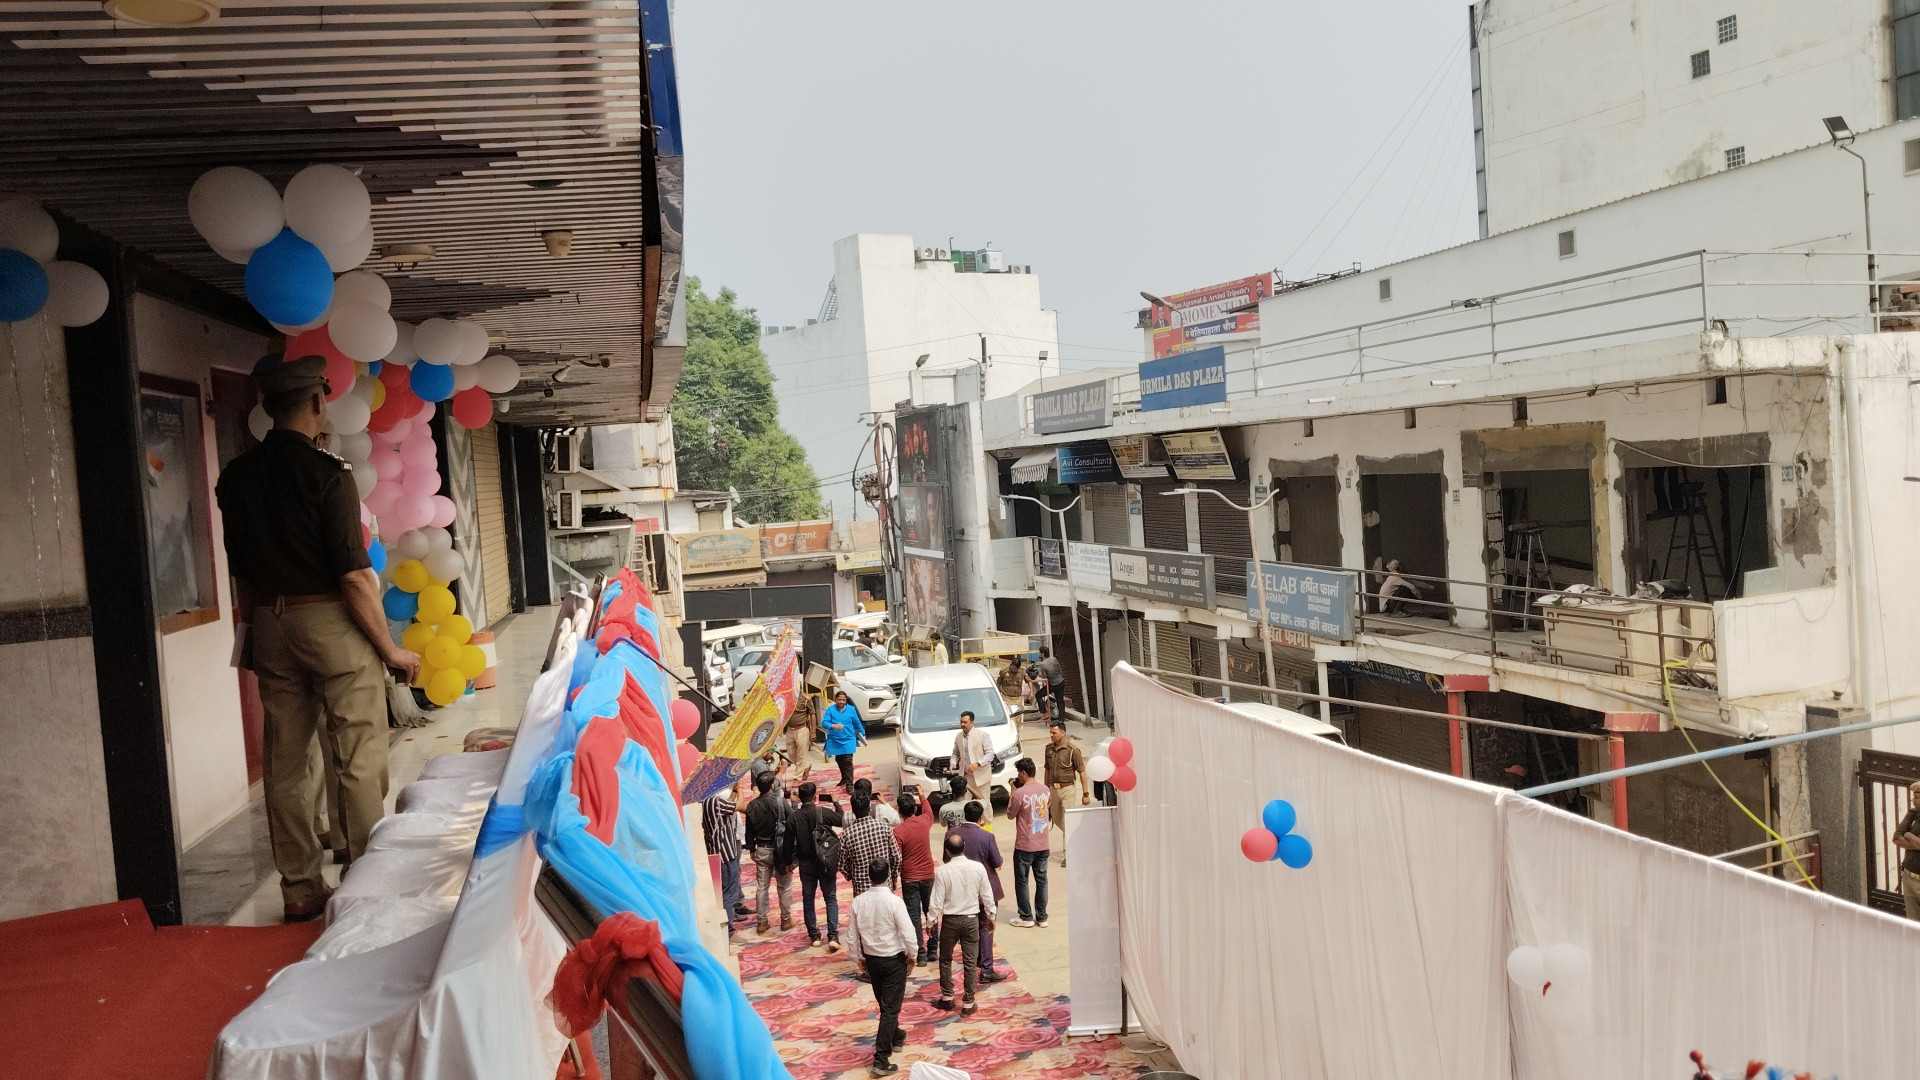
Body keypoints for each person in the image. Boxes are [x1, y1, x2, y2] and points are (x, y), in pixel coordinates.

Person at [216, 354, 421, 923]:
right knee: (357, 751)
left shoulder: (235, 476)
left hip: (269, 622)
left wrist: (253, 633)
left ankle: (301, 888)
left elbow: (242, 573)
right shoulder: (328, 473)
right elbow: (353, 576)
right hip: (329, 621)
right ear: (316, 401)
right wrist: (390, 649)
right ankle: (365, 881)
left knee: (285, 761)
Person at [846, 858, 917, 1077]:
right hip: (893, 959)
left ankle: (896, 1036)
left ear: (869, 876)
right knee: (889, 1009)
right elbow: (908, 932)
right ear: (888, 876)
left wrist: (857, 957)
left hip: (872, 960)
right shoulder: (894, 902)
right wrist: (913, 954)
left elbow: (851, 935)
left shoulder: (859, 901)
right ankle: (881, 1059)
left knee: (886, 1005)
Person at [927, 832, 994, 1015]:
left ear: (947, 851)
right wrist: (991, 916)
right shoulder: (978, 868)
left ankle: (947, 998)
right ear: (964, 847)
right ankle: (968, 1002)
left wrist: (931, 922)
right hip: (971, 919)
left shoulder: (943, 871)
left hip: (950, 920)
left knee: (945, 960)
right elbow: (987, 895)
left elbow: (936, 901)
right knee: (970, 962)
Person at [950, 800, 1007, 983]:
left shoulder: (952, 835)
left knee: (969, 927)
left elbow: (947, 859)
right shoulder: (987, 837)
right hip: (985, 890)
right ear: (981, 817)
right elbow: (997, 861)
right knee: (986, 927)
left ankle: (976, 960)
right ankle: (986, 968)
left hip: (961, 890)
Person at [792, 781, 843, 950]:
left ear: (800, 797)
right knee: (830, 897)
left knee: (808, 899)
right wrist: (836, 803)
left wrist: (788, 862)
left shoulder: (794, 817)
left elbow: (788, 843)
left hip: (806, 864)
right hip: (825, 861)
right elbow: (842, 820)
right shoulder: (823, 812)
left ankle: (814, 935)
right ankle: (833, 935)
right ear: (815, 797)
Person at [744, 770, 795, 934]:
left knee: (762, 887)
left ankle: (762, 921)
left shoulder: (752, 805)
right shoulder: (781, 802)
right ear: (773, 785)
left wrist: (752, 849)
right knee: (784, 885)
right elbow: (793, 821)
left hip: (762, 849)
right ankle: (786, 919)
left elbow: (749, 831)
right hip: (781, 850)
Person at [892, 788, 937, 963]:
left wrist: (895, 877)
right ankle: (933, 948)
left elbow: (897, 857)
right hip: (928, 874)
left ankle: (921, 953)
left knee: (914, 916)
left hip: (909, 877)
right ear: (914, 808)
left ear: (900, 812)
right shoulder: (924, 821)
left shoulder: (898, 831)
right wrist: (922, 794)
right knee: (930, 912)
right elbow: (929, 811)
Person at [1005, 758, 1051, 928]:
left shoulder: (1019, 793)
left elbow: (1010, 814)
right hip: (1043, 842)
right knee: (1042, 880)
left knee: (1022, 881)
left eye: (1019, 772)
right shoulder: (1045, 790)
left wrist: (1012, 790)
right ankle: (1042, 916)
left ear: (1023, 773)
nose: (1018, 775)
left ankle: (1026, 916)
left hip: (1025, 844)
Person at [701, 777, 753, 925]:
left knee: (723, 890)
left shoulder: (708, 801)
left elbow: (729, 805)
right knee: (729, 891)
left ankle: (728, 922)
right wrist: (741, 788)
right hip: (725, 852)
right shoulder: (715, 801)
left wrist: (735, 791)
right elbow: (739, 806)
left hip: (717, 851)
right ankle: (729, 925)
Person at [1043, 720, 1091, 866]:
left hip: (1067, 789)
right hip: (1053, 789)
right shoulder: (1048, 749)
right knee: (1057, 819)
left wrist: (1086, 793)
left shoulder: (1073, 750)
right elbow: (1047, 769)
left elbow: (1082, 772)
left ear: (1063, 733)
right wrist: (1045, 789)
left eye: (1054, 732)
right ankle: (1077, 837)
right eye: (1050, 732)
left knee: (1068, 819)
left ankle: (1068, 854)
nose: (1051, 735)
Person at [840, 790, 903, 895]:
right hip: (885, 886)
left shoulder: (847, 835)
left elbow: (841, 865)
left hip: (861, 888)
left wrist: (853, 875)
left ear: (853, 811)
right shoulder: (885, 827)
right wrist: (893, 876)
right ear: (870, 808)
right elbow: (896, 857)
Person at [822, 688, 866, 791]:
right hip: (835, 739)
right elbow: (824, 723)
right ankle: (844, 778)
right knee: (839, 760)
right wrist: (833, 725)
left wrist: (862, 733)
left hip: (848, 739)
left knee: (848, 761)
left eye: (843, 700)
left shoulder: (851, 709)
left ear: (846, 700)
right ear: (835, 699)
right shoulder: (830, 710)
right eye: (839, 700)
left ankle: (850, 785)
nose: (841, 702)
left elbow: (857, 722)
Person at [951, 710, 993, 805]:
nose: (962, 724)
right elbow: (955, 753)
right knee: (964, 804)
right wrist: (953, 763)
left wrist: (977, 764)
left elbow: (990, 754)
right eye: (961, 722)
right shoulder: (958, 737)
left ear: (972, 722)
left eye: (965, 722)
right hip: (966, 777)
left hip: (981, 776)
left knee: (984, 804)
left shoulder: (983, 735)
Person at [1894, 780, 1920, 920]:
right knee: (1913, 923)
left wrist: (1909, 835)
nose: (1912, 800)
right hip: (1909, 877)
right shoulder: (1913, 815)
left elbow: (1904, 835)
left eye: (1916, 797)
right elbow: (1897, 838)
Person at [784, 687, 819, 772]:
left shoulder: (805, 698)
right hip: (790, 730)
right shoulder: (786, 698)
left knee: (801, 755)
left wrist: (813, 732)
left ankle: (797, 777)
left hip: (801, 729)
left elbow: (813, 714)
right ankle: (806, 766)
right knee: (791, 753)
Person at [1033, 647, 1065, 722]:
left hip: (1053, 685)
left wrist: (1039, 674)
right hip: (1061, 682)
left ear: (1042, 654)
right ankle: (1061, 720)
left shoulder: (1043, 664)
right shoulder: (1054, 659)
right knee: (1060, 701)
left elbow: (1044, 676)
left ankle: (1045, 713)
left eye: (1039, 653)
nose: (1038, 654)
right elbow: (1060, 670)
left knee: (1038, 695)